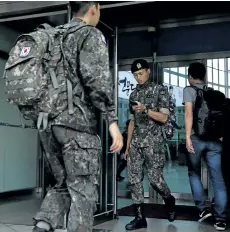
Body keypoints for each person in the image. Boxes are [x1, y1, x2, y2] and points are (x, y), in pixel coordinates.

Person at [32, 2, 123, 232]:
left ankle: (41, 227)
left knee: (63, 184)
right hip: (76, 127)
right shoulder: (89, 34)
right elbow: (97, 81)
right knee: (83, 190)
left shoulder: (52, 36)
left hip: (47, 125)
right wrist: (112, 122)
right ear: (94, 8)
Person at [124, 59, 176, 231]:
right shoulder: (133, 95)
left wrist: (146, 110)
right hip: (136, 143)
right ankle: (139, 217)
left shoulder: (160, 90)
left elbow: (164, 118)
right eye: (135, 75)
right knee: (134, 181)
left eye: (140, 73)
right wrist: (127, 146)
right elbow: (131, 122)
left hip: (153, 143)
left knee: (155, 181)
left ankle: (169, 200)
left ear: (148, 71)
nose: (138, 77)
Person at [183, 62, 227, 231]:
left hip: (197, 138)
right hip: (215, 141)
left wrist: (187, 137)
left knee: (193, 172)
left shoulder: (189, 90)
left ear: (190, 76)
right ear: (204, 76)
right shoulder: (212, 92)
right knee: (218, 179)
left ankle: (202, 209)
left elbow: (188, 113)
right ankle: (221, 219)